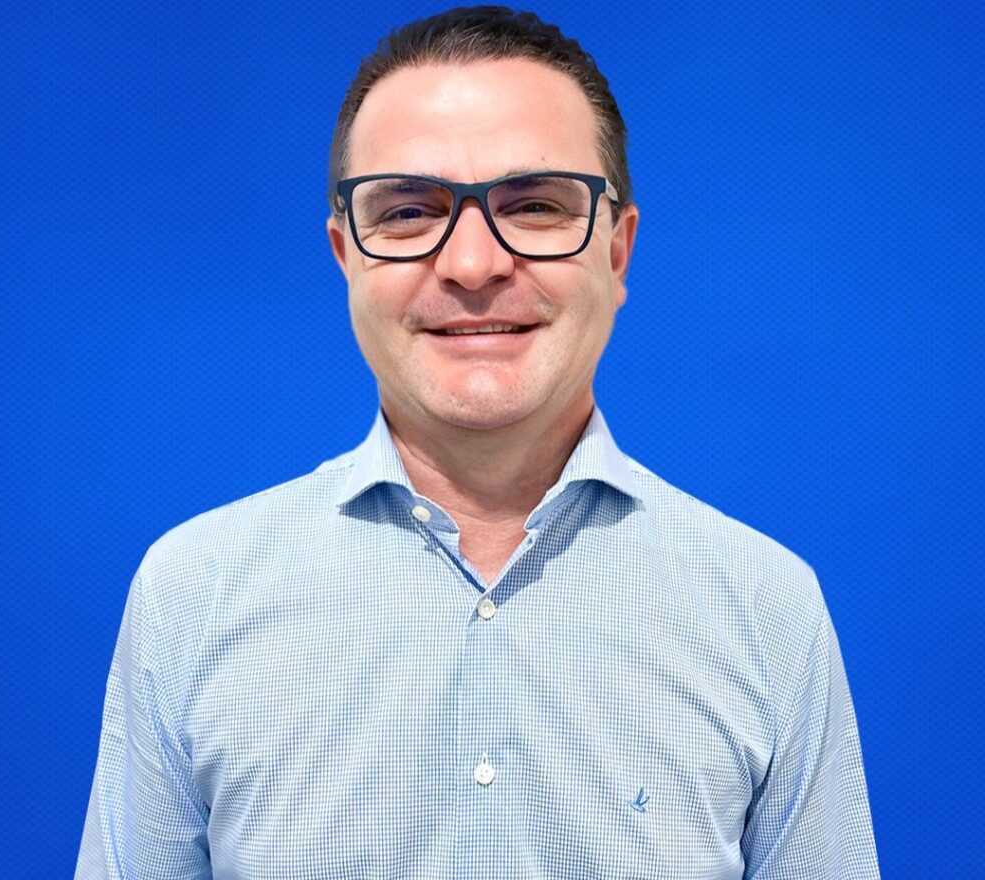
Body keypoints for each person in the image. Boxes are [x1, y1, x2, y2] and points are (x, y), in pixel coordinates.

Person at [75, 6, 879, 878]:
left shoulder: (766, 608)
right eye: (408, 212)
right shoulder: (191, 597)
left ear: (617, 253)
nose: (471, 264)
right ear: (346, 256)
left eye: (533, 206)